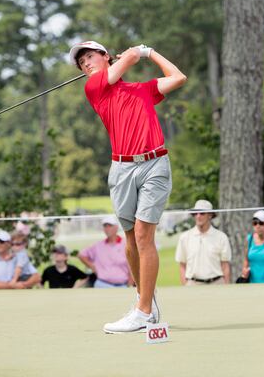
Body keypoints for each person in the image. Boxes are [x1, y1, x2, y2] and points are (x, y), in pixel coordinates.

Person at [69, 40, 187, 333]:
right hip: (121, 169)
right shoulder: (94, 88)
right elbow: (130, 57)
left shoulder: (141, 90)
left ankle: (143, 312)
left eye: (90, 56)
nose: (85, 63)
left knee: (145, 235)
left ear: (105, 56)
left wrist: (151, 52)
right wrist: (136, 52)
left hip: (154, 164)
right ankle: (145, 299)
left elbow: (178, 77)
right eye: (81, 62)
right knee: (131, 239)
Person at [175, 199, 232, 285]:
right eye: (195, 213)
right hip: (192, 284)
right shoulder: (184, 237)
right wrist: (185, 285)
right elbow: (182, 265)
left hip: (217, 283)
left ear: (210, 215)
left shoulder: (221, 237)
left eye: (202, 213)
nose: (198, 216)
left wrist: (226, 286)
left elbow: (225, 265)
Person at [78, 217, 134, 289]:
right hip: (102, 284)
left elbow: (133, 266)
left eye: (110, 226)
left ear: (116, 227)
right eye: (105, 226)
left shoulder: (126, 244)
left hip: (122, 285)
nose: (107, 228)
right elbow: (82, 255)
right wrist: (93, 267)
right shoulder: (98, 245)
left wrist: (130, 284)